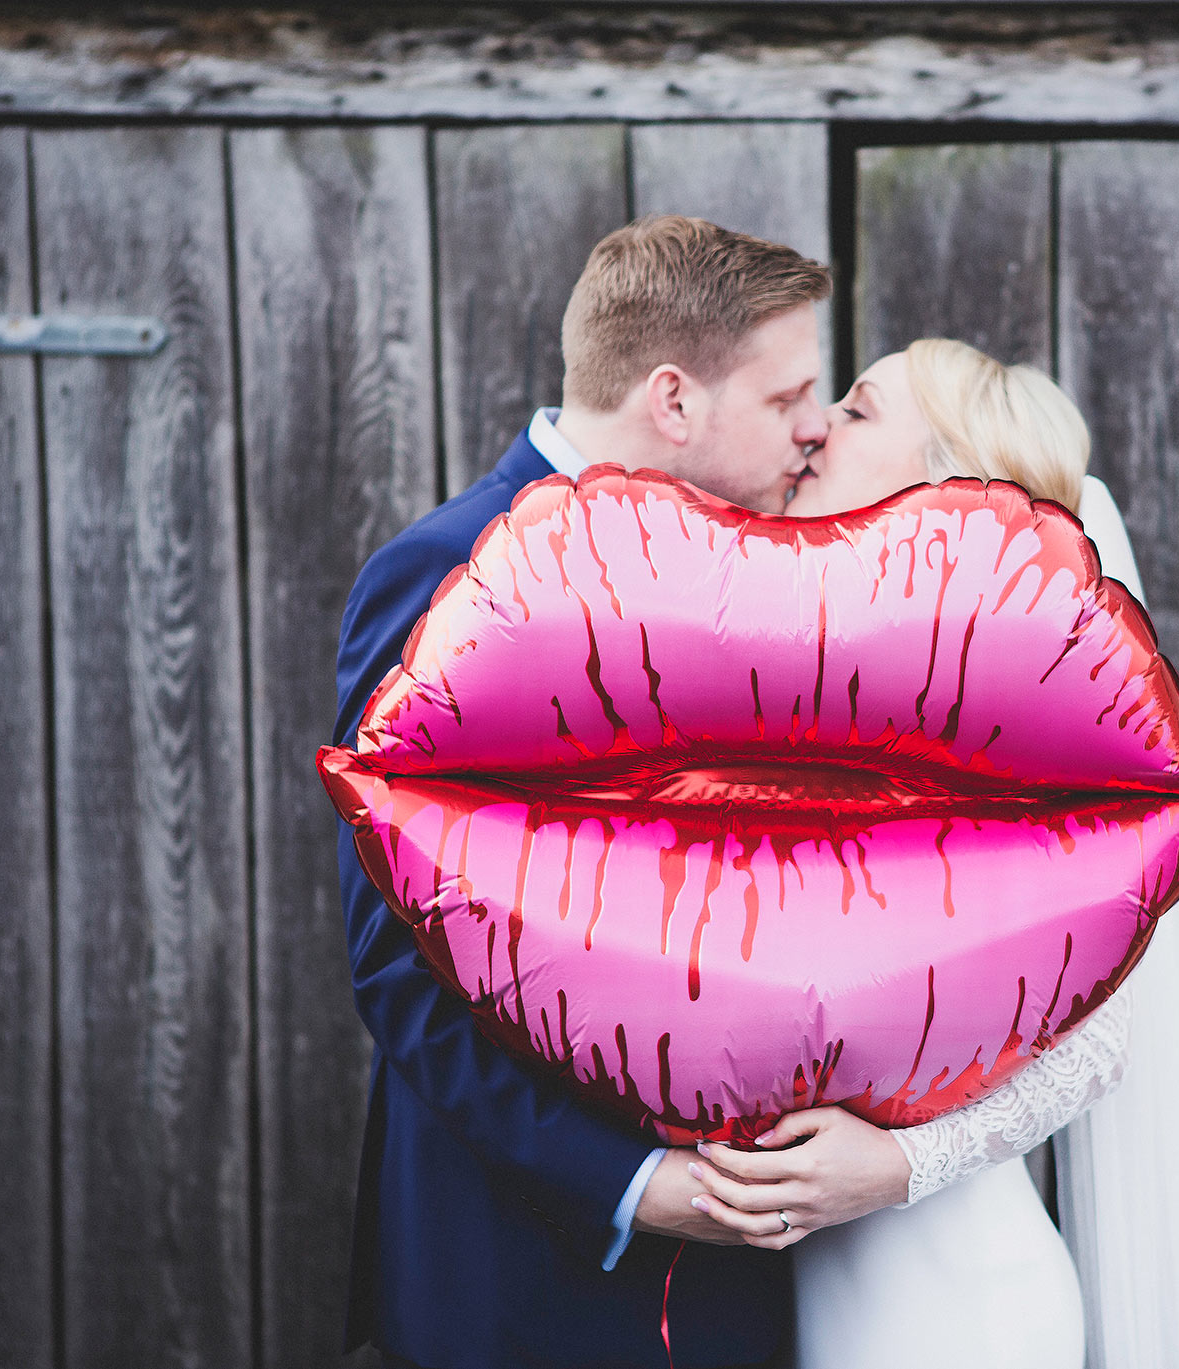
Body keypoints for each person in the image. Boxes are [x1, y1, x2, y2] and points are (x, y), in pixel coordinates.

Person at [685, 340, 1179, 1369]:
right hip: (788, 1299)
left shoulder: (1009, 727)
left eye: (856, 409)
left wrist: (894, 1164)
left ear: (941, 479)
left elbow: (1103, 1042)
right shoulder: (813, 685)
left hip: (953, 1311)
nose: (815, 428)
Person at [334, 214, 858, 1369]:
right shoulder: (446, 574)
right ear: (672, 399)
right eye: (786, 400)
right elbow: (398, 958)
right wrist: (629, 1182)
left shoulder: (769, 565)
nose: (815, 430)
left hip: (741, 1277)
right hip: (519, 1269)